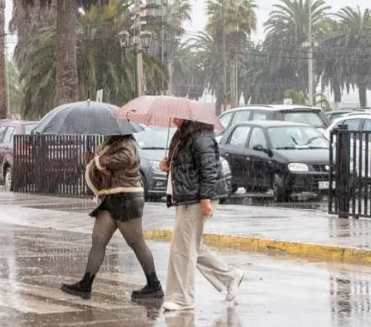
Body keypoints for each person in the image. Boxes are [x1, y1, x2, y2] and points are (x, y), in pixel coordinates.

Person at [61, 134, 164, 301]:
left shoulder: (127, 142)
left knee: (136, 243)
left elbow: (126, 157)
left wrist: (102, 160)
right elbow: (102, 166)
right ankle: (86, 284)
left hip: (126, 198)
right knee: (98, 240)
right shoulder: (110, 143)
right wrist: (92, 160)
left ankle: (154, 285)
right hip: (110, 197)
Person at [160, 118, 243, 311]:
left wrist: (205, 198)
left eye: (176, 114)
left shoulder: (201, 136)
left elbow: (209, 168)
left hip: (196, 198)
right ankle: (230, 276)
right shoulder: (183, 135)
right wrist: (168, 165)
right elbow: (186, 165)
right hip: (187, 197)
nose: (172, 118)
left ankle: (183, 298)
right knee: (190, 245)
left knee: (183, 249)